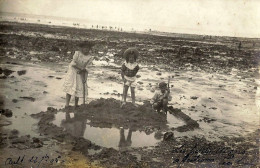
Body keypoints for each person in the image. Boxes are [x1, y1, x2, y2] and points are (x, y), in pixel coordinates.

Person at [63, 41, 95, 108]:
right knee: (70, 87)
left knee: (79, 88)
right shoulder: (77, 54)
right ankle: (67, 104)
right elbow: (73, 64)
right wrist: (80, 69)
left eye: (88, 48)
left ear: (90, 49)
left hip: (81, 73)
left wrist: (85, 77)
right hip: (73, 72)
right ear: (82, 48)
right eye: (85, 47)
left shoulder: (90, 57)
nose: (86, 49)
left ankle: (76, 104)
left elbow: (87, 68)